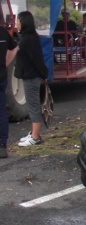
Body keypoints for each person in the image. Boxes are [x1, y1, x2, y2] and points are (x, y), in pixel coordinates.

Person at [15, 11, 48, 147]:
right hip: (28, 76)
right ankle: (33, 133)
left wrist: (43, 74)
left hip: (32, 77)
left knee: (34, 106)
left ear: (24, 22)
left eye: (18, 20)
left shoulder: (30, 39)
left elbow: (37, 59)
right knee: (31, 105)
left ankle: (35, 137)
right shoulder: (25, 37)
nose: (16, 23)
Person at [0, 9, 19, 159]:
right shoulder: (3, 33)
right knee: (1, 111)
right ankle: (2, 145)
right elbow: (14, 47)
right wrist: (5, 62)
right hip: (1, 76)